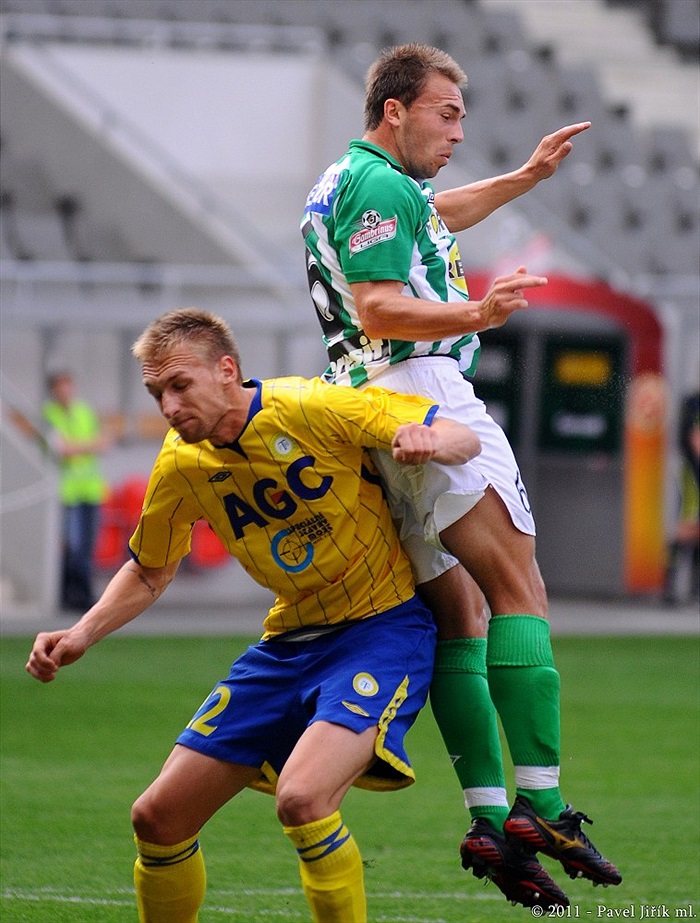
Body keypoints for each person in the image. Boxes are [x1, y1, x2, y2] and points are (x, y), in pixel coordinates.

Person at [27, 307, 542, 923]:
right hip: (287, 643)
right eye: (156, 392)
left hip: (382, 630)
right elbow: (149, 568)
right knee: (157, 818)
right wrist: (82, 633)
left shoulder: (311, 407)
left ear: (227, 371)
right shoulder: (182, 464)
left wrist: (429, 438)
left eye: (179, 385)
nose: (168, 406)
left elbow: (463, 436)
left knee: (303, 798)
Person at [302, 42, 621, 904]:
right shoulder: (376, 182)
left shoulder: (363, 183)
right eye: (447, 114)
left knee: (462, 613)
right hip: (424, 391)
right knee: (521, 592)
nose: (458, 130)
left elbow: (436, 214)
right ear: (395, 110)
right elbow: (378, 305)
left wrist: (523, 178)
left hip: (374, 407)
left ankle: (488, 817)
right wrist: (476, 310)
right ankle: (541, 804)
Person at [42, 370, 111, 611]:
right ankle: (71, 595)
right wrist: (88, 445)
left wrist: (79, 446)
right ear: (53, 390)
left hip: (90, 490)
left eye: (67, 386)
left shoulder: (85, 411)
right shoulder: (48, 415)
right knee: (70, 546)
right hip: (66, 492)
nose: (65, 392)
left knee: (87, 547)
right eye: (60, 387)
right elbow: (63, 450)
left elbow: (104, 442)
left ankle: (82, 594)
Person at [664, 389, 700, 603]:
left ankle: (694, 589)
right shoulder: (693, 402)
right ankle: (669, 587)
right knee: (688, 525)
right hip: (693, 474)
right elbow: (693, 437)